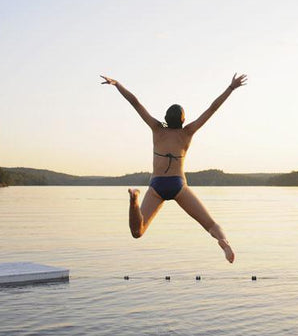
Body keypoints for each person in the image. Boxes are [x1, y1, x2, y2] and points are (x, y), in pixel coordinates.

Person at [100, 73, 247, 262]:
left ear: (165, 118)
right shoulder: (187, 132)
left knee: (138, 231)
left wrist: (117, 84)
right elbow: (212, 108)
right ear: (183, 120)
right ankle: (224, 242)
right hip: (178, 185)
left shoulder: (156, 128)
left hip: (156, 185)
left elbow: (135, 103)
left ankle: (134, 200)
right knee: (210, 224)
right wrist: (231, 88)